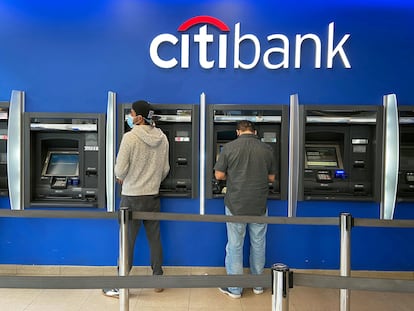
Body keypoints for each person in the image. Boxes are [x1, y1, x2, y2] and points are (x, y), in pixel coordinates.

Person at [103, 100, 170, 298]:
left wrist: (121, 177)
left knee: (127, 241)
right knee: (155, 238)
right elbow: (165, 169)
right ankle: (158, 278)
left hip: (131, 197)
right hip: (152, 195)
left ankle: (121, 284)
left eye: (132, 114)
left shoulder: (130, 138)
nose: (130, 117)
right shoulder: (163, 138)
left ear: (139, 117)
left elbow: (119, 169)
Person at [214, 120, 276, 299]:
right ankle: (257, 285)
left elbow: (218, 175)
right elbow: (271, 177)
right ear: (254, 132)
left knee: (235, 245)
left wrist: (233, 175)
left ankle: (235, 288)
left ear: (238, 132)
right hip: (259, 204)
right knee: (258, 243)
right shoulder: (267, 149)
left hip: (236, 203)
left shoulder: (229, 148)